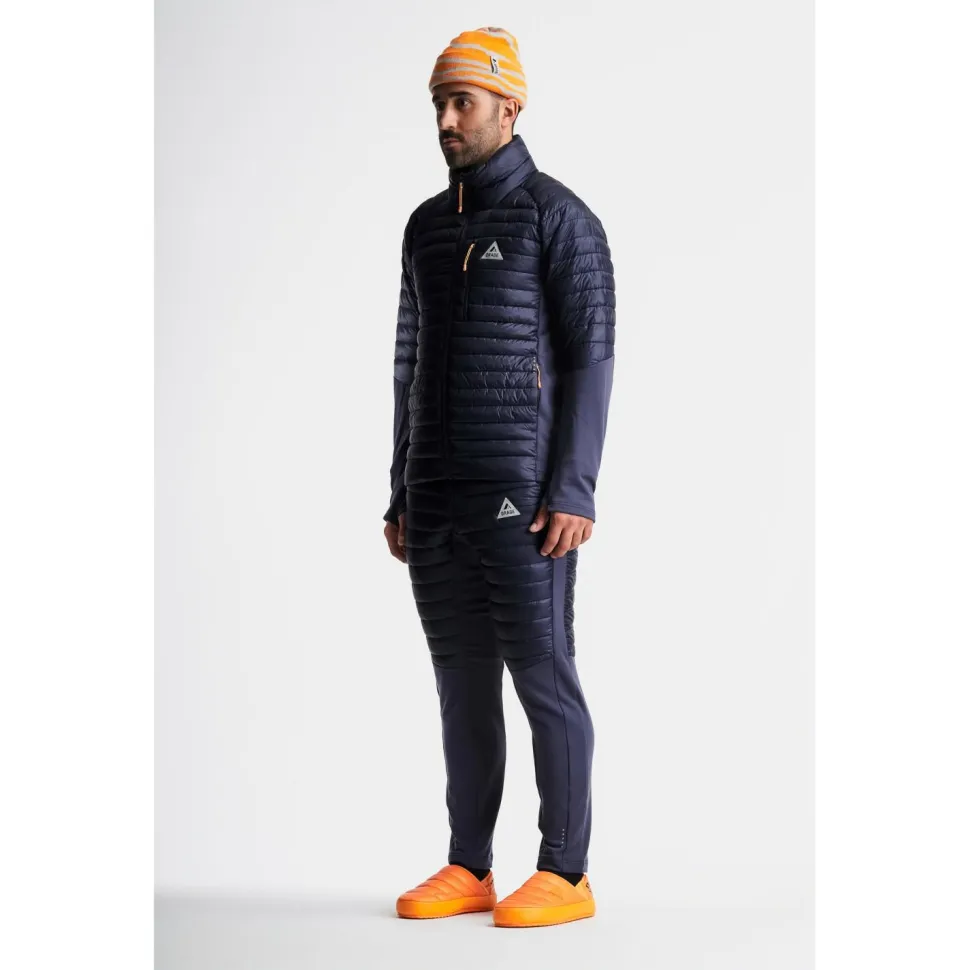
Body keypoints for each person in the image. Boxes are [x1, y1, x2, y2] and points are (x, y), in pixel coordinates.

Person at [383, 26, 616, 929]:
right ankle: (468, 864)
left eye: (463, 102)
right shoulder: (423, 228)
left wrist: (575, 487)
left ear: (509, 107)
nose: (446, 119)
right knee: (461, 683)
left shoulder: (560, 218)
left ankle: (566, 872)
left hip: (525, 498)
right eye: (438, 103)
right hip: (436, 493)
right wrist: (400, 488)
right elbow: (407, 364)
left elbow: (592, 360)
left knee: (543, 676)